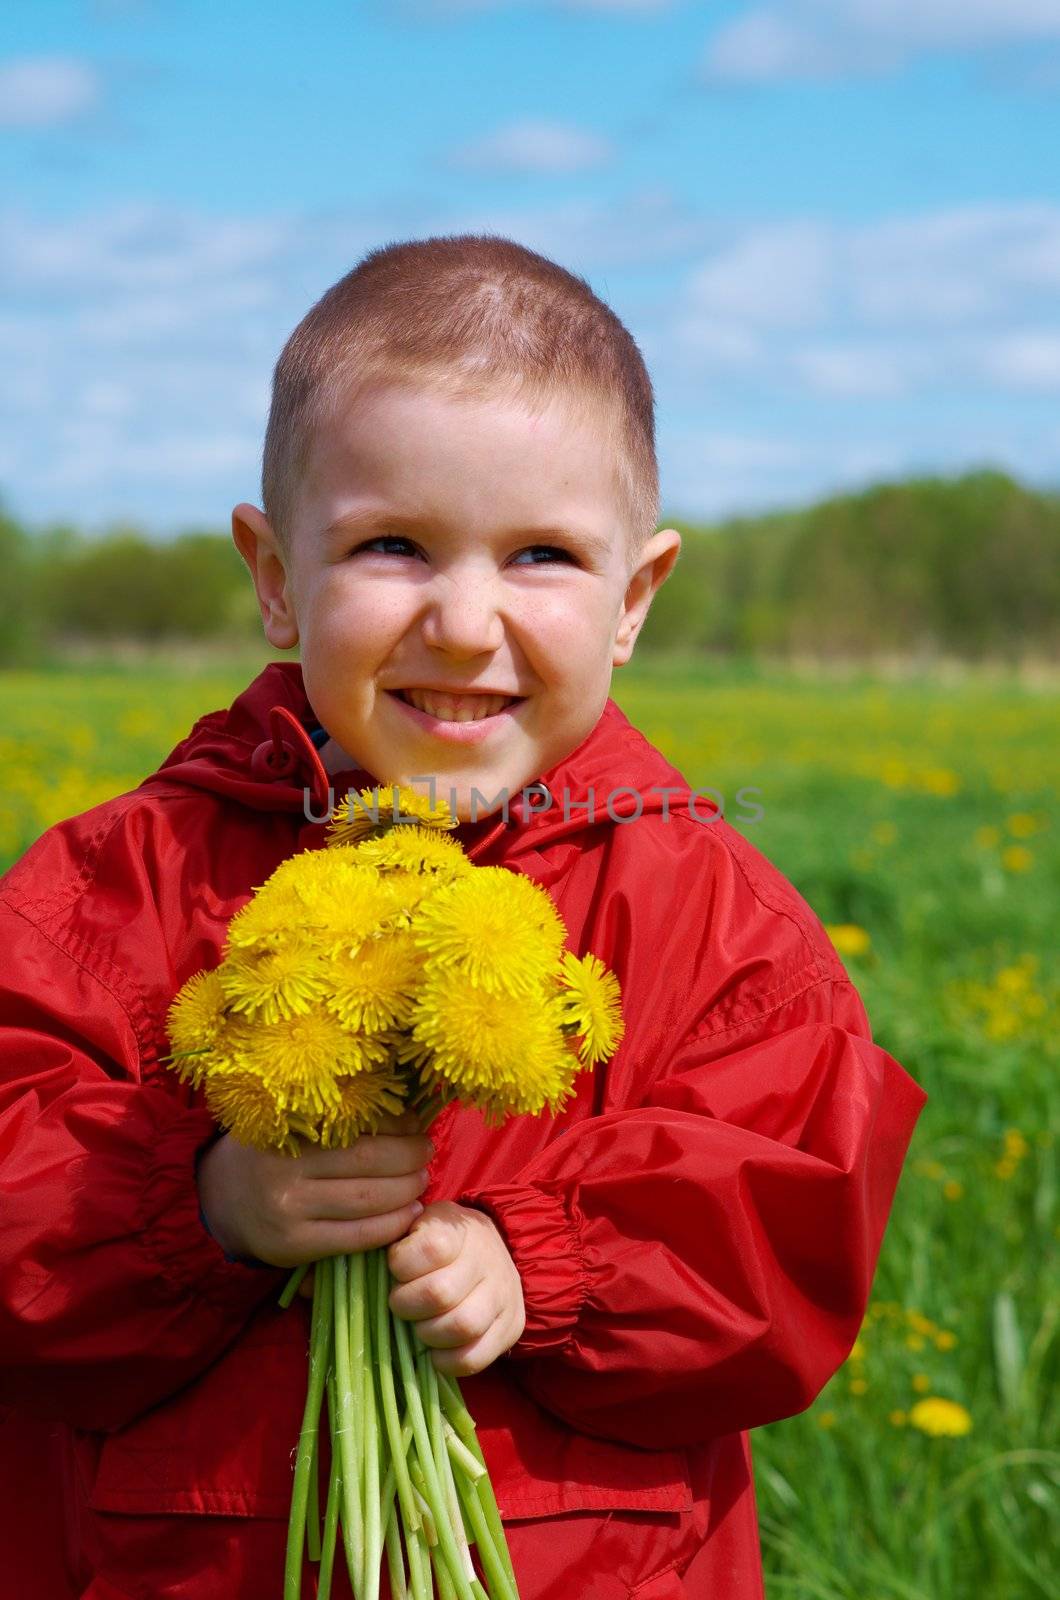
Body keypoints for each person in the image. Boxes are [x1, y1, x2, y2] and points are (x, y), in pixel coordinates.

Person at [0, 235, 926, 1600]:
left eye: (543, 555)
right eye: (393, 545)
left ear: (636, 599)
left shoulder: (713, 917)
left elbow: (792, 1242)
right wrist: (204, 1206)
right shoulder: (110, 891)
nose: (464, 621)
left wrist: (544, 1260)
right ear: (272, 573)